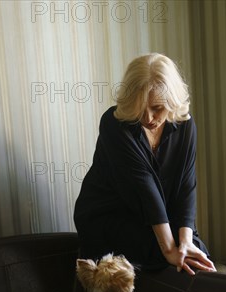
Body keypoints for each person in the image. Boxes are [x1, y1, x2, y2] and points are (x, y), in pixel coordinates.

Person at [73, 53, 215, 275]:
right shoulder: (113, 125)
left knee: (199, 253)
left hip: (155, 217)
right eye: (141, 108)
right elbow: (144, 187)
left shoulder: (186, 127)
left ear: (172, 101)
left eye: (157, 108)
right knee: (165, 257)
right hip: (112, 216)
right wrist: (168, 248)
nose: (148, 117)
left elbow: (187, 185)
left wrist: (186, 240)